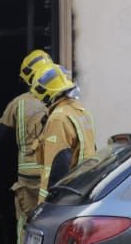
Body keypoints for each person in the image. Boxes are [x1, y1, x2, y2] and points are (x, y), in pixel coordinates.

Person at [0, 49, 49, 244]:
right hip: (55, 177)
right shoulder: (60, 102)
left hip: (28, 181)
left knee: (26, 226)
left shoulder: (19, 103)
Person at [30, 61, 97, 202]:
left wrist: (49, 204)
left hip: (62, 199)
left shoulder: (58, 119)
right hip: (82, 189)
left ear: (47, 93)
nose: (39, 99)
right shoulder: (80, 110)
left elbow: (58, 166)